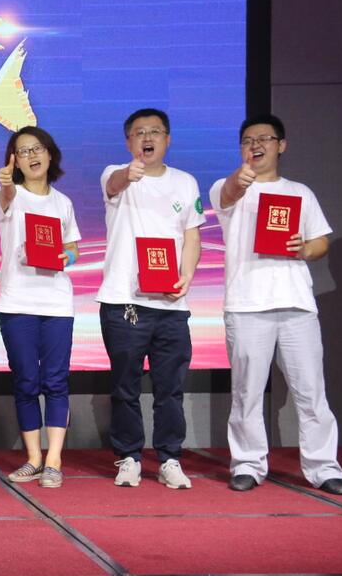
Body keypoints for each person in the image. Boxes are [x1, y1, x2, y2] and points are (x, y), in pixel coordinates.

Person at [210, 114, 342, 495]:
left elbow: (320, 242)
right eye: (247, 140)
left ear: (281, 145)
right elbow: (228, 193)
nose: (256, 145)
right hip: (246, 305)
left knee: (311, 391)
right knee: (247, 393)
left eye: (264, 139)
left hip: (296, 305)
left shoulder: (300, 193)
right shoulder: (227, 187)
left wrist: (304, 249)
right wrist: (241, 179)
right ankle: (248, 464)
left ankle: (323, 467)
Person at [97, 108, 203, 490]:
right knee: (125, 386)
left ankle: (170, 458)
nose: (148, 138)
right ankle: (129, 457)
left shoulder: (185, 182)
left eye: (155, 131)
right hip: (124, 301)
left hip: (171, 306)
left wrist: (186, 275)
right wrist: (130, 173)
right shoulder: (116, 174)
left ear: (167, 139)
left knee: (169, 388)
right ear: (129, 141)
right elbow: (114, 184)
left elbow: (192, 236)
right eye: (140, 132)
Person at [0, 126, 80, 489]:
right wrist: (6, 184)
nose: (32, 156)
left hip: (57, 302)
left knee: (56, 382)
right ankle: (33, 458)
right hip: (17, 302)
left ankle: (54, 460)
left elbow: (72, 247)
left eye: (37, 148)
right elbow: (6, 195)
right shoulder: (8, 195)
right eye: (23, 151)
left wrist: (66, 257)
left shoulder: (63, 203)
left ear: (50, 153)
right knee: (27, 381)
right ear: (14, 161)